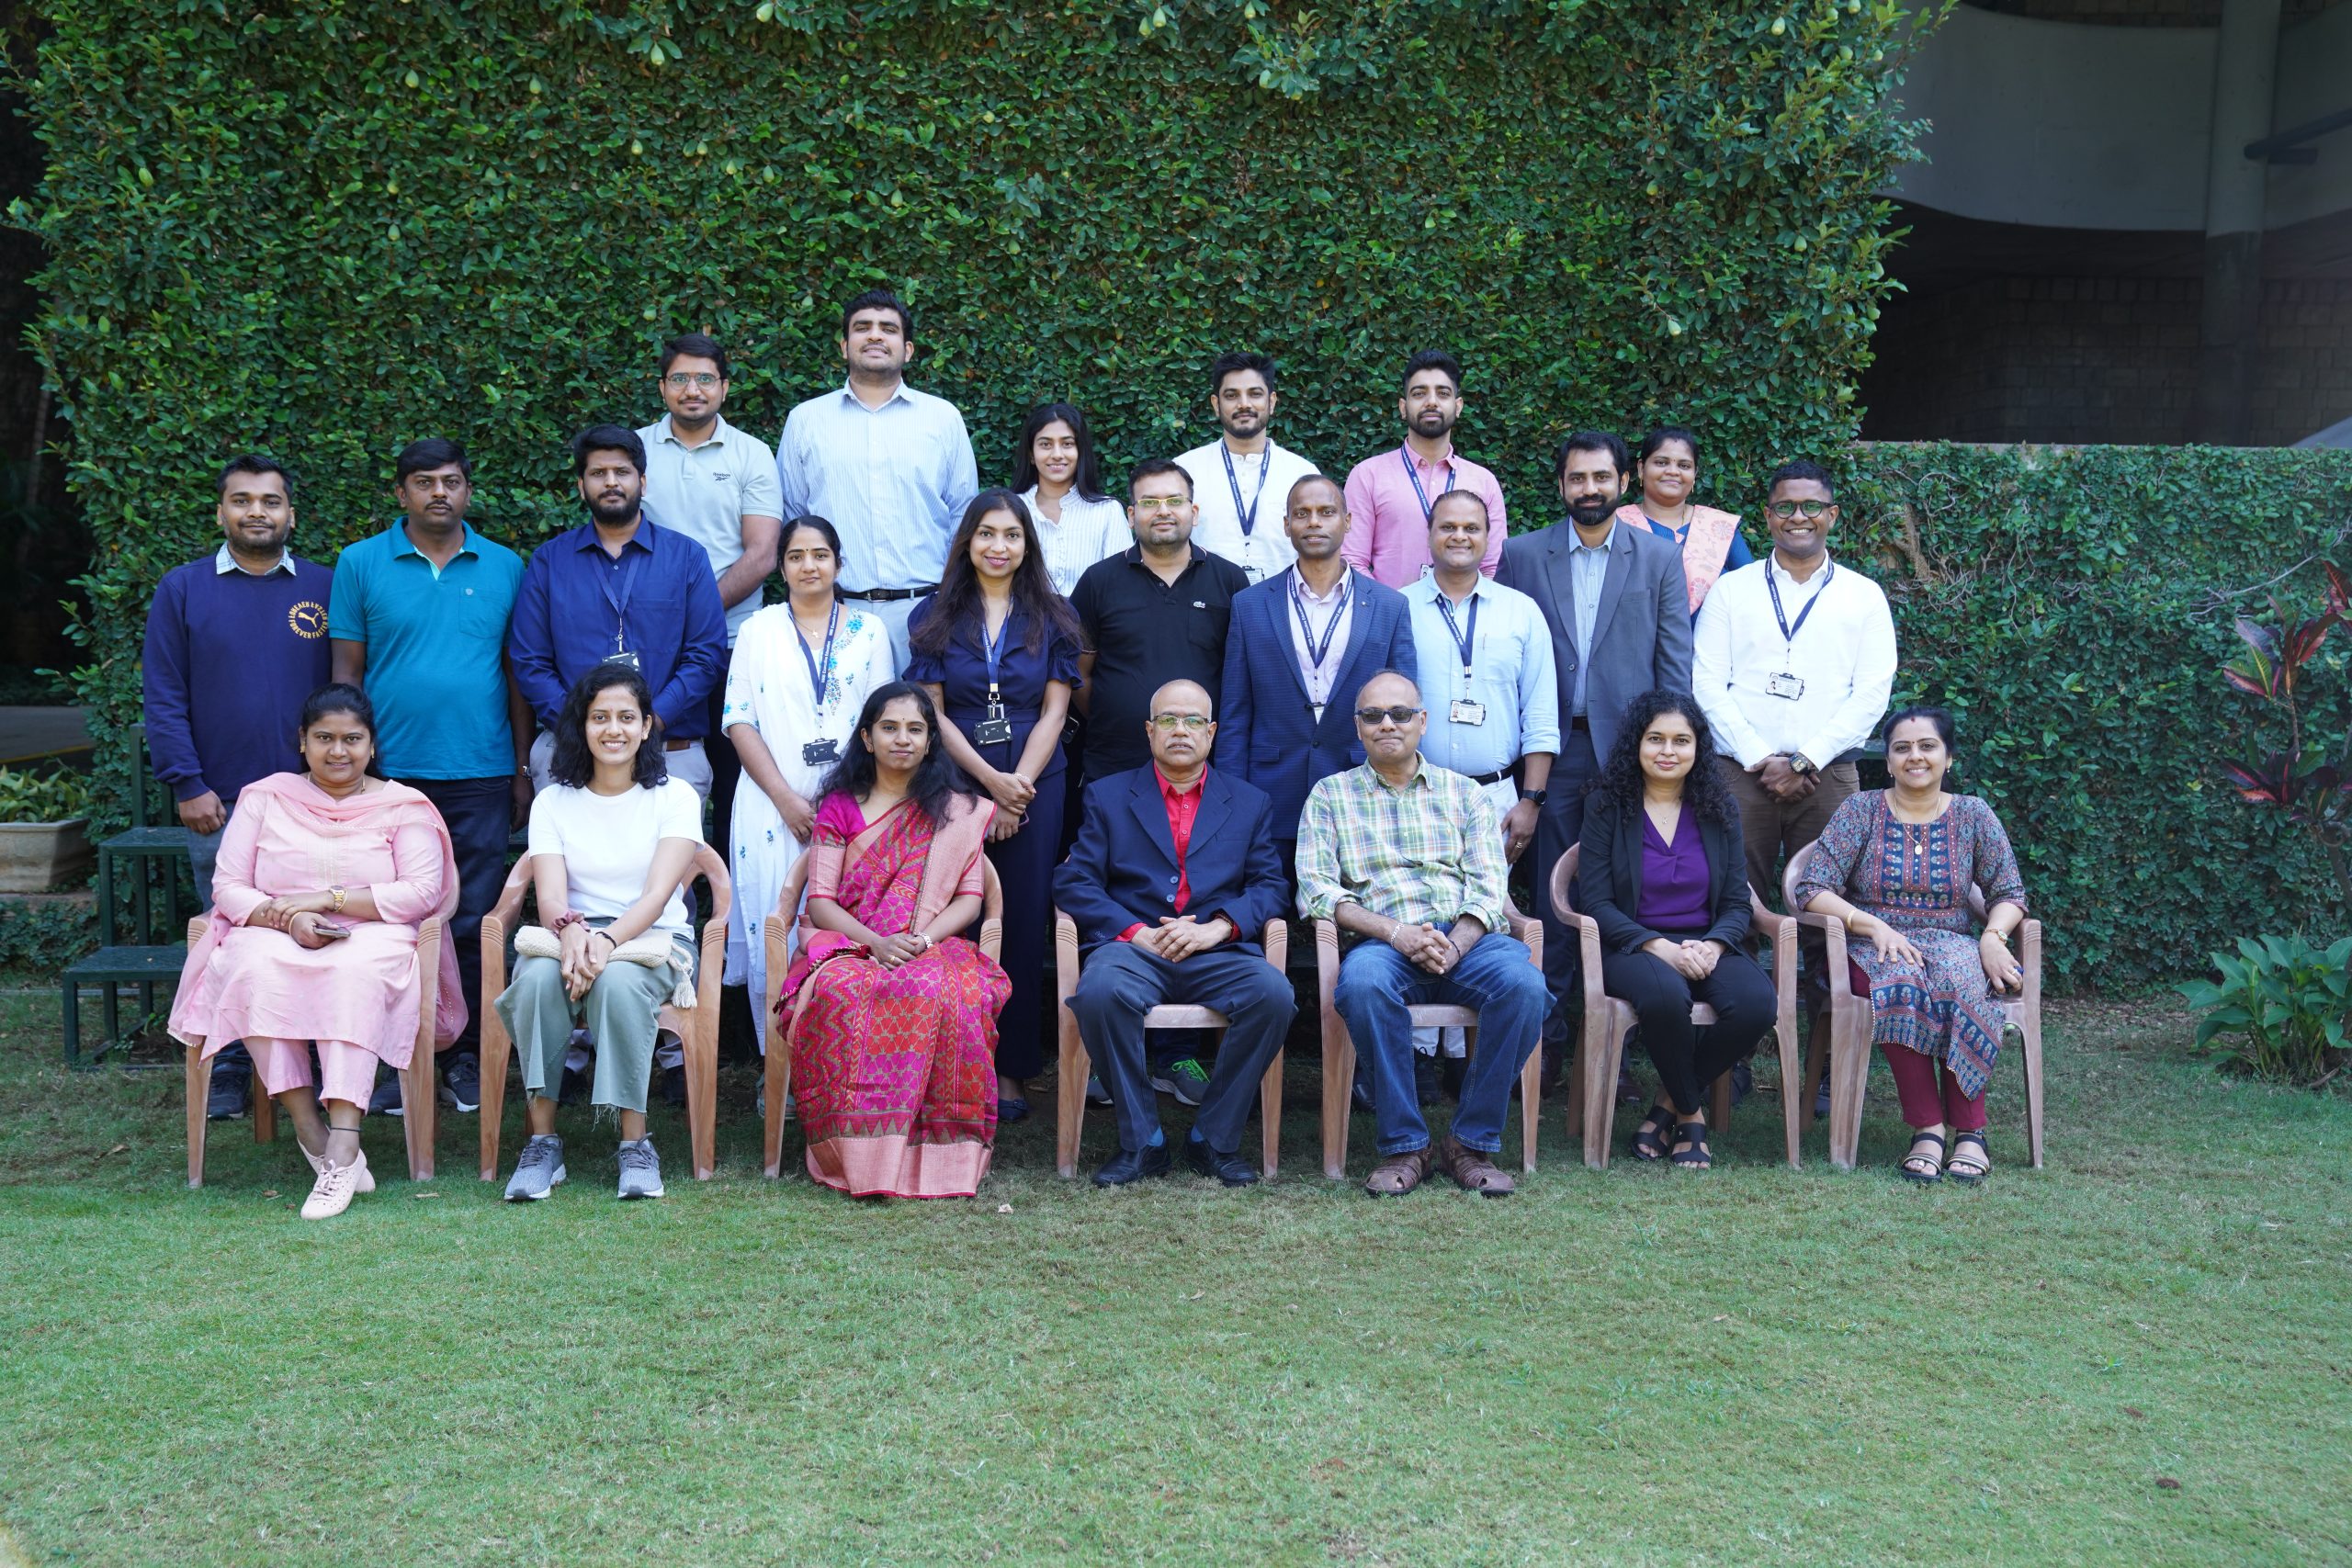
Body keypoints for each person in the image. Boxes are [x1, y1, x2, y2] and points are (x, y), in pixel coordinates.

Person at [166, 684, 461, 1219]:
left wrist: (330, 899)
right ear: (302, 742)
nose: (338, 751)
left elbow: (420, 892)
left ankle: (344, 1143)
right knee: (250, 969)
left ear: (372, 745)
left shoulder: (404, 805)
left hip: (374, 933)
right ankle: (311, 1129)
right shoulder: (265, 797)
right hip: (274, 931)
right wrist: (293, 918)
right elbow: (229, 886)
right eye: (324, 738)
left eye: (352, 739)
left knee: (350, 973)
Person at [328, 436, 529, 1121]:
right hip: (391, 776)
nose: (438, 492)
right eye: (423, 482)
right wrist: (350, 769)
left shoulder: (504, 565)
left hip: (480, 768)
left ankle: (465, 1053)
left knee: (471, 920)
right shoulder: (359, 563)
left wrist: (523, 767)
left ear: (467, 490)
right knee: (388, 918)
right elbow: (346, 674)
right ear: (401, 493)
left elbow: (515, 675)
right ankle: (391, 1057)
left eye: (450, 481)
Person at [1692, 458, 1899, 1115]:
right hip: (1739, 773)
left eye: (1812, 506)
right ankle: (1738, 1052)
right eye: (1786, 506)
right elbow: (1707, 683)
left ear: (1832, 515)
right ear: (1768, 516)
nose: (1799, 517)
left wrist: (1806, 758)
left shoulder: (1862, 595)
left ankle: (1831, 1059)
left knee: (1832, 918)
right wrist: (1761, 758)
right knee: (1733, 909)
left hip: (1830, 774)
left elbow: (1872, 692)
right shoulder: (1734, 591)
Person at [1296, 671, 1548, 1198]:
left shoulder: (1466, 795)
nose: (1387, 724)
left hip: (1468, 940)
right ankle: (1405, 1145)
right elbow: (1316, 889)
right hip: (1383, 944)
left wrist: (1455, 943)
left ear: (1422, 722)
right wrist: (1396, 934)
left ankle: (1469, 1143)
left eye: (1400, 713)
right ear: (1358, 726)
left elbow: (1487, 884)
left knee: (1525, 988)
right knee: (1362, 987)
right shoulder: (1330, 796)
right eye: (1373, 715)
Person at [142, 454, 334, 1121]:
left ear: (291, 513)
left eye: (271, 501)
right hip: (219, 804)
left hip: (316, 807)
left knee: (314, 934)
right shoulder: (184, 589)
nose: (258, 511)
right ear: (221, 510)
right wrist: (187, 782)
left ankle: (317, 1064)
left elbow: (349, 696)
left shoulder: (324, 586)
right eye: (243, 500)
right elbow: (163, 694)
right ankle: (229, 1067)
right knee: (230, 938)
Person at [1056, 680, 1296, 1188]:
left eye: (1192, 721)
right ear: (1149, 731)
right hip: (1136, 950)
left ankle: (1214, 1138)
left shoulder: (1249, 802)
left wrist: (1218, 928)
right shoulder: (1108, 795)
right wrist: (1133, 932)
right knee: (1099, 992)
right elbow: (1073, 881)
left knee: (1273, 994)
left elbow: (1272, 887)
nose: (1180, 730)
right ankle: (1143, 1142)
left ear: (1211, 732)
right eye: (1168, 720)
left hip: (1215, 950)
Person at [777, 682, 1010, 1198]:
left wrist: (921, 939)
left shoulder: (958, 811)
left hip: (932, 942)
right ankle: (856, 1155)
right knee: (842, 994)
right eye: (889, 727)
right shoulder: (839, 806)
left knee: (952, 994)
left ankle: (940, 1159)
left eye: (915, 729)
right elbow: (820, 904)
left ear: (931, 742)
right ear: (866, 737)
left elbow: (969, 901)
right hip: (848, 943)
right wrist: (877, 945)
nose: (902, 739)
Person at [1497, 431, 1693, 1029]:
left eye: (1601, 478)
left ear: (1623, 482)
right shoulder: (1523, 555)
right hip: (1551, 751)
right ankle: (1550, 1034)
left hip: (1630, 754)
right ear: (1561, 485)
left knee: (1625, 892)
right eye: (1577, 478)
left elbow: (1674, 666)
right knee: (1551, 892)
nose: (1590, 489)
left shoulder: (1657, 557)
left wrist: (1664, 753)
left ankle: (1617, 1036)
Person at [496, 665, 707, 1203]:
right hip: (572, 935)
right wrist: (570, 934)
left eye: (626, 718)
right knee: (538, 980)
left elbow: (659, 896)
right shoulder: (553, 801)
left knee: (615, 984)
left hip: (654, 939)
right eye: (600, 718)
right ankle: (542, 1143)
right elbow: (550, 897)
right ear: (581, 727)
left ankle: (635, 1144)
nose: (613, 729)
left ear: (645, 728)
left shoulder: (675, 796)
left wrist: (607, 943)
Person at [1795, 707, 2028, 1184]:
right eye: (1902, 748)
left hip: (1953, 939)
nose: (1914, 757)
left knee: (1964, 980)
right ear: (1888, 760)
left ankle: (1970, 1132)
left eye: (1927, 747)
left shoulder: (1973, 814)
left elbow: (2009, 894)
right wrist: (1870, 925)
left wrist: (1992, 937)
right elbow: (1812, 887)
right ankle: (1927, 1127)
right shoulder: (1860, 810)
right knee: (1901, 981)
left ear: (1949, 758)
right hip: (1871, 943)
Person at [907, 490, 1081, 1120]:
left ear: (1026, 543)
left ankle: (1010, 1070)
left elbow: (1057, 708)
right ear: (968, 542)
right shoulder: (935, 614)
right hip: (955, 782)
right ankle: (948, 1060)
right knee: (951, 915)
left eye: (1011, 535)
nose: (999, 546)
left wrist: (1019, 786)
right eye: (986, 534)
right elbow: (933, 710)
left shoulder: (1055, 615)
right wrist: (989, 783)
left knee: (1023, 919)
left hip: (1038, 783)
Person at [1577, 691, 1777, 1168]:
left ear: (1698, 748)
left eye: (1681, 741)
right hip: (1633, 945)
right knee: (1666, 997)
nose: (1668, 751)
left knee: (1756, 1004)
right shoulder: (1608, 805)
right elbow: (1596, 902)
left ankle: (1666, 1105)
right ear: (1637, 745)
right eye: (1656, 739)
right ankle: (1690, 1116)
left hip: (1707, 944)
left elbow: (1735, 901)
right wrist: (1661, 948)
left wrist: (1711, 944)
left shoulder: (1719, 807)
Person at [1402, 489, 1561, 1077]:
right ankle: (1420, 1052)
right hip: (1417, 791)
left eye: (1472, 527)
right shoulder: (1399, 606)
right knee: (1424, 906)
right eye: (1448, 526)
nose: (1460, 536)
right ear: (1430, 533)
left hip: (1497, 793)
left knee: (1484, 916)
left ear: (1489, 534)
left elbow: (1541, 714)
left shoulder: (1520, 611)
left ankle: (1470, 1059)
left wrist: (1531, 799)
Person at [722, 515, 898, 1034]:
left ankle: (845, 1051)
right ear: (781, 568)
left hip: (854, 808)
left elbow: (882, 723)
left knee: (850, 928)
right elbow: (738, 719)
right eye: (796, 556)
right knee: (772, 926)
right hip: (772, 804)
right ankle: (776, 1066)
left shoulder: (869, 630)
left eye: (820, 554)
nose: (809, 565)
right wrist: (786, 799)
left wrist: (843, 802)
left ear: (838, 563)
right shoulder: (758, 631)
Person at [509, 425, 729, 804]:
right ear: (581, 485)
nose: (611, 482)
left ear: (642, 482)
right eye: (598, 474)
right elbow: (530, 660)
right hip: (570, 750)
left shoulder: (686, 558)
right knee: (570, 864)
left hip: (669, 751)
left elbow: (706, 654)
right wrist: (584, 724)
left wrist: (648, 721)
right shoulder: (550, 561)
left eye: (622, 472)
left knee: (668, 865)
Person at [1214, 474, 1416, 874]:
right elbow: (1235, 712)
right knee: (1273, 914)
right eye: (1301, 514)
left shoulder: (1390, 606)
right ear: (1286, 525)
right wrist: (1231, 797)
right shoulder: (1249, 605)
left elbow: (1405, 711)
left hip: (1362, 785)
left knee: (1355, 924)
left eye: (1326, 512)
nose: (1314, 522)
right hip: (1270, 788)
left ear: (1347, 520)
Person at [636, 332, 786, 853]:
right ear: (662, 387)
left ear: (724, 387)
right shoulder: (635, 452)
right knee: (645, 772)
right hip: (650, 648)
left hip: (733, 644)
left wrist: (691, 617)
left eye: (704, 378)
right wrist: (672, 625)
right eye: (680, 378)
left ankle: (727, 915)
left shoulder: (752, 453)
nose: (692, 389)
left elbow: (764, 553)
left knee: (732, 780)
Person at [775, 288, 979, 663]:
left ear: (908, 349)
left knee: (921, 719)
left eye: (888, 328)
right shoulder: (805, 420)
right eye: (862, 327)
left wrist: (949, 600)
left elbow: (963, 518)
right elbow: (794, 517)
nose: (874, 336)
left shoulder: (943, 418)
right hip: (834, 610)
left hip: (926, 613)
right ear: (844, 345)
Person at [1069, 459, 1252, 787]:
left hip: (1207, 768)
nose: (1163, 511)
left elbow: (1242, 678)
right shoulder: (1098, 582)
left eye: (1175, 501)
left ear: (1193, 512)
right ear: (1131, 515)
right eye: (1149, 503)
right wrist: (1119, 714)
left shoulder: (1230, 581)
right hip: (1115, 765)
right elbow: (1079, 674)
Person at [1340, 350, 1510, 588]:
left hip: (1464, 621)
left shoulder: (1483, 482)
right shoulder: (1368, 476)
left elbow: (1493, 568)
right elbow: (1352, 560)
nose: (1431, 401)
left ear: (1458, 406)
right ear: (1403, 406)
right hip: (1391, 620)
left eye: (1443, 393)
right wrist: (1390, 609)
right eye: (1419, 393)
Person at [1174, 351, 1320, 584]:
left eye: (1255, 394)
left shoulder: (1302, 473)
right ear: (1216, 404)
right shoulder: (1183, 471)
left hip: (1283, 608)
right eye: (1232, 395)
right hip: (1202, 608)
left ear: (1271, 402)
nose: (1244, 404)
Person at [1613, 426, 1755, 616]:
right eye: (1661, 463)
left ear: (1695, 474)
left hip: (1713, 644)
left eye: (1684, 465)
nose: (1673, 471)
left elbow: (1753, 592)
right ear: (1641, 468)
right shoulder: (1616, 524)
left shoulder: (1720, 527)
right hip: (1636, 643)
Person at [1010, 401, 1128, 595]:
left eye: (1067, 444)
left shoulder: (1108, 511)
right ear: (1031, 454)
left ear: (1080, 451)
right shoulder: (1011, 508)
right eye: (1045, 444)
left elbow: (1119, 586)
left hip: (1088, 624)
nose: (1057, 454)